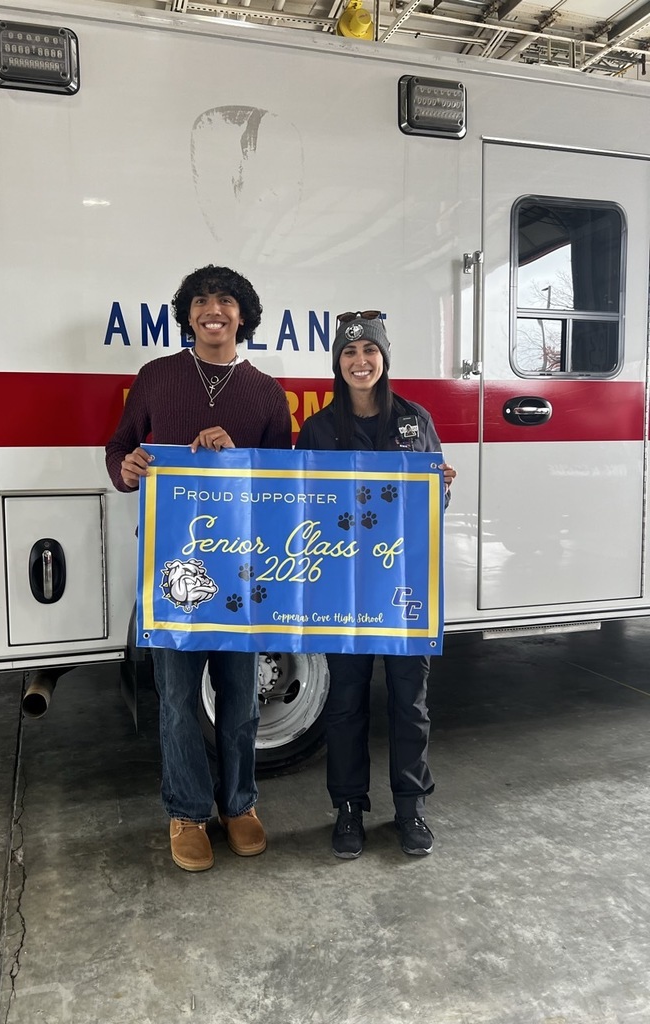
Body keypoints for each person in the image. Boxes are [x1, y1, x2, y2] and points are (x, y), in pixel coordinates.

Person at [105, 265, 292, 872]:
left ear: (244, 316)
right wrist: (127, 470)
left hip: (243, 569)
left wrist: (239, 459)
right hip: (171, 568)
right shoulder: (157, 376)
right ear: (188, 314)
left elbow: (285, 482)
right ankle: (187, 812)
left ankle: (239, 805)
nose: (215, 311)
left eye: (227, 302)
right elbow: (120, 446)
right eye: (203, 302)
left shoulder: (265, 391)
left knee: (239, 699)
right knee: (179, 699)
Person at [294, 311, 456, 860]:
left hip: (406, 583)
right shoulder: (317, 430)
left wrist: (442, 487)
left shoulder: (414, 419)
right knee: (344, 702)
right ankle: (347, 808)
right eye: (348, 353)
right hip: (343, 587)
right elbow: (303, 507)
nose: (359, 361)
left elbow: (436, 504)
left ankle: (410, 806)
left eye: (369, 351)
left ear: (384, 358)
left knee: (409, 701)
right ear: (337, 364)